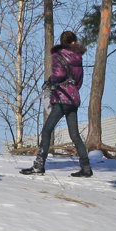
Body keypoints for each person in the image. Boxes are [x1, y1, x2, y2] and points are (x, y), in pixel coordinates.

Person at [21, 31, 92, 178]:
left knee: (47, 130)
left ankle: (39, 165)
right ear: (74, 41)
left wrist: (50, 81)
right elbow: (79, 80)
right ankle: (86, 167)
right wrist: (72, 89)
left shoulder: (59, 55)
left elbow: (58, 75)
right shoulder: (78, 57)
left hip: (62, 98)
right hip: (74, 98)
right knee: (75, 135)